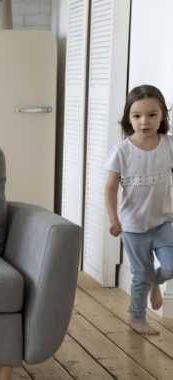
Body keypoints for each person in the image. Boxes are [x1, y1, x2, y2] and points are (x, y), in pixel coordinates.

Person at [105, 84, 173, 335]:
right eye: (137, 116)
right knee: (141, 272)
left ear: (163, 116)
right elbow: (110, 188)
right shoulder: (122, 152)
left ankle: (153, 281)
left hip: (164, 221)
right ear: (128, 119)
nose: (145, 121)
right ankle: (136, 316)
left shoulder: (168, 145)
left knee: (170, 266)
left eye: (152, 114)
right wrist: (114, 219)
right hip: (133, 227)